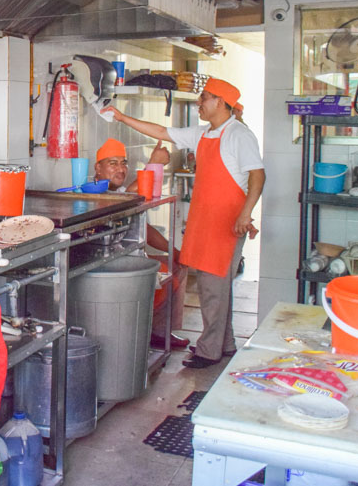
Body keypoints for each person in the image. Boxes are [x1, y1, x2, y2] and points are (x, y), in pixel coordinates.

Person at [101, 78, 265, 369]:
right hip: (206, 219)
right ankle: (224, 344)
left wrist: (245, 214)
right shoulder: (204, 133)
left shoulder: (239, 135)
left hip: (225, 221)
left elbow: (257, 175)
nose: (199, 102)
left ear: (220, 102)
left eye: (204, 97)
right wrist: (122, 117)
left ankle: (208, 351)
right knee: (215, 286)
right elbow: (161, 131)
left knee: (213, 287)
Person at [92, 138, 189, 351]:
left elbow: (145, 227)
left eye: (123, 163)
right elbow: (129, 198)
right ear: (97, 168)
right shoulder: (94, 191)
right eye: (113, 163)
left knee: (178, 265)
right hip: (106, 263)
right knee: (163, 274)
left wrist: (173, 251)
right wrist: (153, 164)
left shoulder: (119, 190)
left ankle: (159, 331)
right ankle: (139, 328)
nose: (120, 169)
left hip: (127, 255)